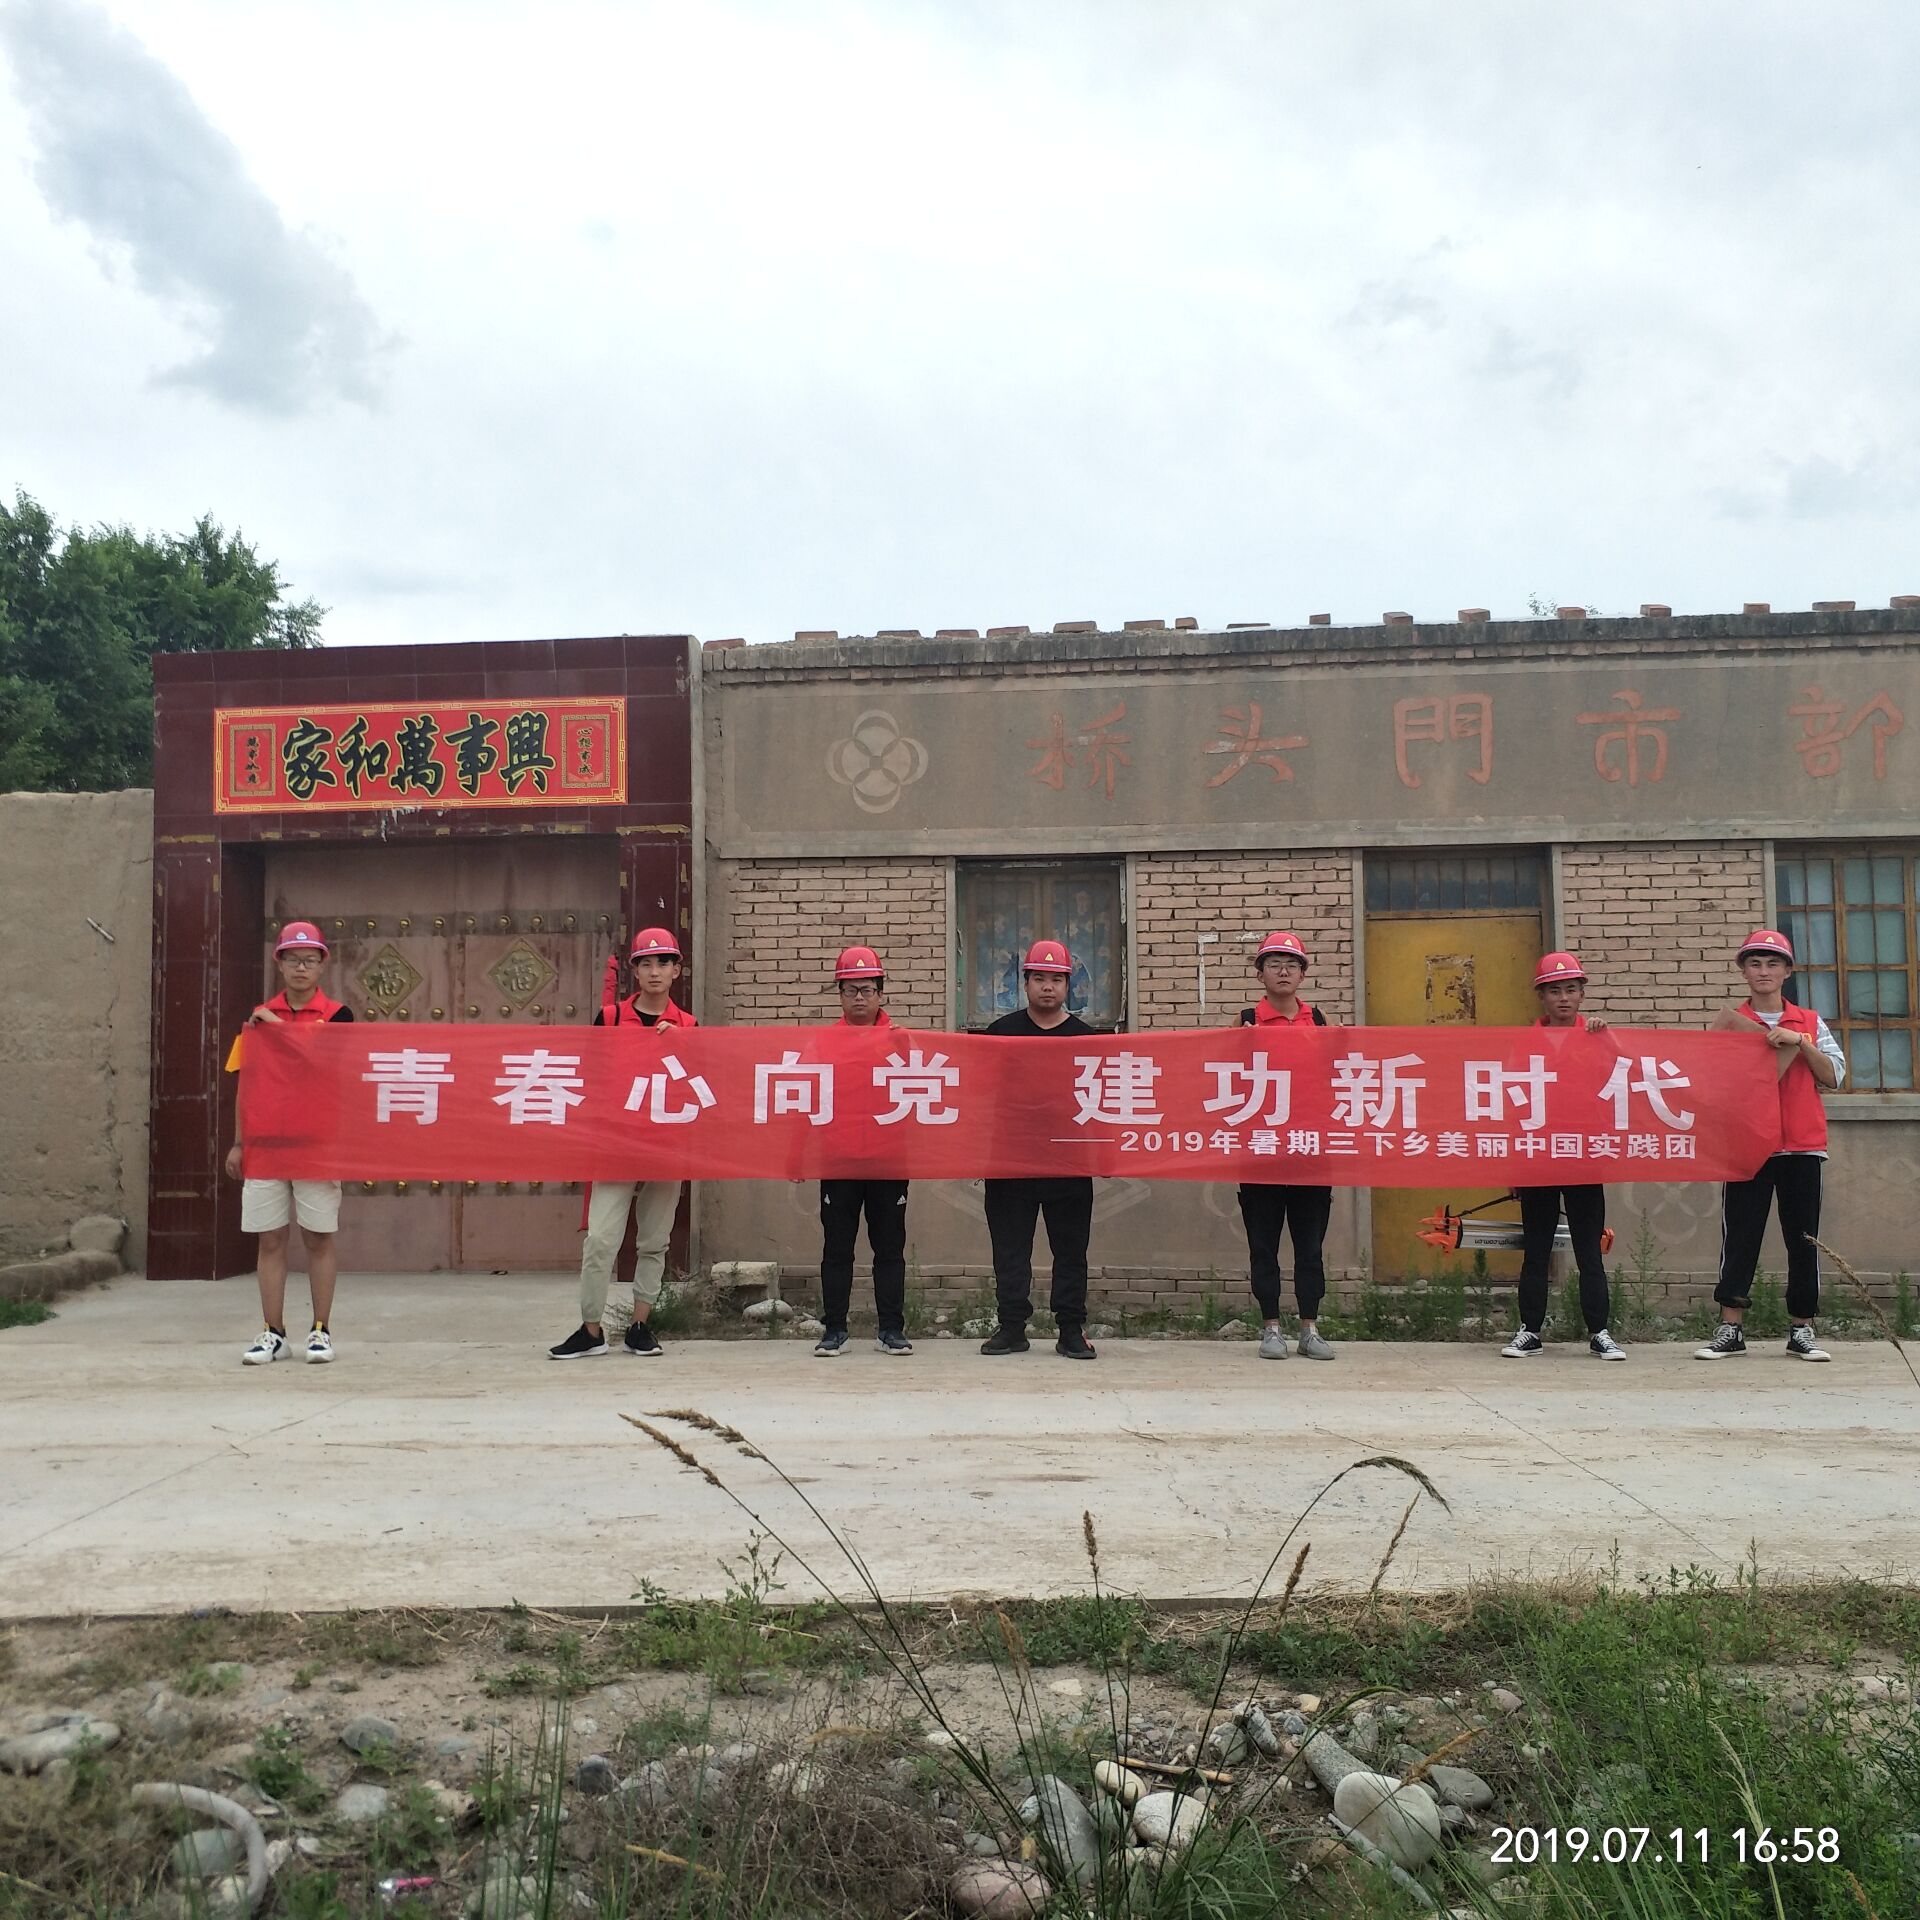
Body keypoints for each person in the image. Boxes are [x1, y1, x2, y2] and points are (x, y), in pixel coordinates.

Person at [1696, 929, 1845, 1363]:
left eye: (1773, 963)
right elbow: (1709, 1083)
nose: (1764, 971)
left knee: (1804, 1239)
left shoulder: (1809, 1022)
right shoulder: (1731, 1025)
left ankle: (1802, 1328)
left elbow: (1835, 1075)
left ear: (1787, 972)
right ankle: (1730, 1327)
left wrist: (1799, 1042)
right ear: (1743, 971)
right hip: (1747, 1146)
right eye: (1755, 963)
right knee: (1740, 1236)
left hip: (1801, 1145)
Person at [549, 927, 693, 1360]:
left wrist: (679, 1048)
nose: (655, 971)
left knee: (654, 1241)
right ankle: (591, 1330)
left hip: (665, 1145)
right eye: (646, 963)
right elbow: (590, 1074)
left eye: (663, 962)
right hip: (615, 1143)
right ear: (634, 970)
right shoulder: (610, 1018)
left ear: (676, 970)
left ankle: (640, 1326)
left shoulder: (689, 1026)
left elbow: (698, 1087)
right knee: (600, 1240)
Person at [223, 921, 354, 1365]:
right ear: (279, 963)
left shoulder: (338, 1015)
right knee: (271, 1240)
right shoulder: (256, 1018)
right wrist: (239, 1142)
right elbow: (247, 1083)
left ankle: (320, 1330)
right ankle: (273, 1332)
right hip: (266, 1145)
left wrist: (278, 1026)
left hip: (317, 1143)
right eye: (293, 959)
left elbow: (327, 1064)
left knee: (318, 1238)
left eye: (310, 959)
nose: (301, 967)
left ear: (323, 965)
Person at [1500, 952, 1626, 1361]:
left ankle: (1600, 1332)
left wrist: (1607, 1039)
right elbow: (1513, 1104)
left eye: (1571, 989)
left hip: (1584, 1155)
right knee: (1536, 1250)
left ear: (1582, 994)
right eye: (1555, 991)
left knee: (1589, 1249)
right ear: (1542, 997)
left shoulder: (1595, 1035)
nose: (1564, 998)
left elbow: (1624, 1075)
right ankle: (1529, 1331)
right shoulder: (1525, 1043)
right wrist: (1514, 1166)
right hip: (1538, 1157)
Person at [981, 940, 1098, 1360]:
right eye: (1040, 979)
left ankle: (1070, 1329)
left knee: (1071, 1251)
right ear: (1025, 983)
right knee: (1010, 1250)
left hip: (1068, 1162)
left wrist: (1103, 1155)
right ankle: (1012, 1327)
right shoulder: (1000, 1034)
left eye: (1056, 980)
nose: (1048, 987)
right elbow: (980, 1095)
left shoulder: (1086, 1039)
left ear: (1068, 986)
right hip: (1011, 1162)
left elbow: (1099, 1104)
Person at [1235, 932, 1337, 1361]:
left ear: (1302, 974)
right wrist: (1241, 1046)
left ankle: (1310, 1328)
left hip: (1310, 1151)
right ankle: (1271, 1328)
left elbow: (1335, 1078)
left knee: (1310, 1247)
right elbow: (1227, 1081)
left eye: (1291, 964)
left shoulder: (1320, 1022)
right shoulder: (1246, 1022)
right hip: (1261, 1151)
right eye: (1274, 964)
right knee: (1264, 1246)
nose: (1283, 971)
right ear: (1260, 973)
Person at [814, 946, 913, 1358]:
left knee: (889, 1249)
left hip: (888, 1161)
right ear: (839, 995)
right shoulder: (825, 1042)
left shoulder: (900, 1040)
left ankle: (891, 1329)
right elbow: (811, 1099)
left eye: (867, 989)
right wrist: (797, 1155)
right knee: (837, 1249)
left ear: (880, 993)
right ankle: (834, 1329)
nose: (859, 997)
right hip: (838, 1159)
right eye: (850, 990)